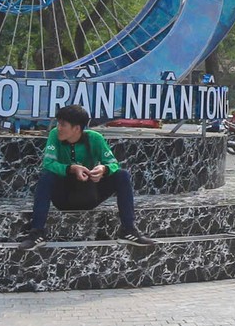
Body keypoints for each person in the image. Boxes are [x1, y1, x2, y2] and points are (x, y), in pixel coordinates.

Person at [27, 103, 156, 247]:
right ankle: (37, 233)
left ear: (76, 128)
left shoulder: (95, 138)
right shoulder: (54, 135)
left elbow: (113, 163)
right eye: (58, 124)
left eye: (63, 125)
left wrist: (103, 169)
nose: (59, 128)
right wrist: (71, 168)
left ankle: (129, 230)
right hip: (63, 196)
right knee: (47, 176)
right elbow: (48, 163)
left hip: (89, 194)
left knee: (122, 175)